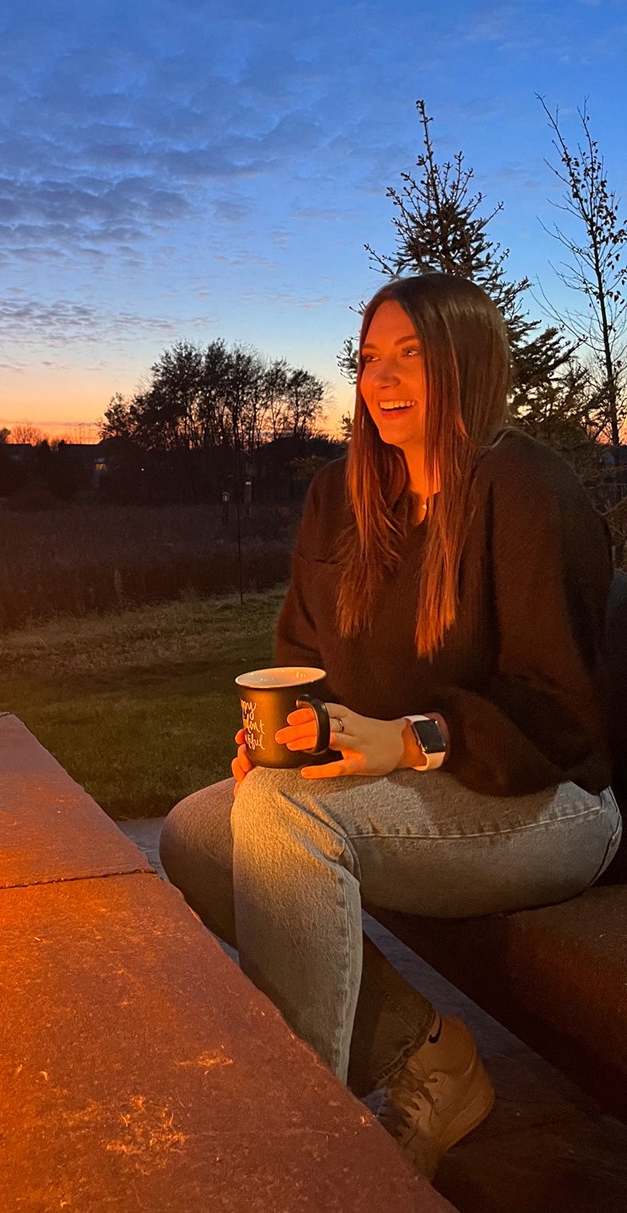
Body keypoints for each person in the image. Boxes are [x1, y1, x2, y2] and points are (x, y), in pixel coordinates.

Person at [159, 273, 622, 1181]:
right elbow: (305, 655)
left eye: (412, 352)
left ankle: (302, 1164)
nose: (383, 375)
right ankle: (425, 1058)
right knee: (200, 829)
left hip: (552, 799)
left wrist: (416, 738)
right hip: (413, 788)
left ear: (468, 359)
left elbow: (562, 712)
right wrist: (277, 736)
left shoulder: (525, 488)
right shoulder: (343, 495)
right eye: (371, 356)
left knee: (288, 823)